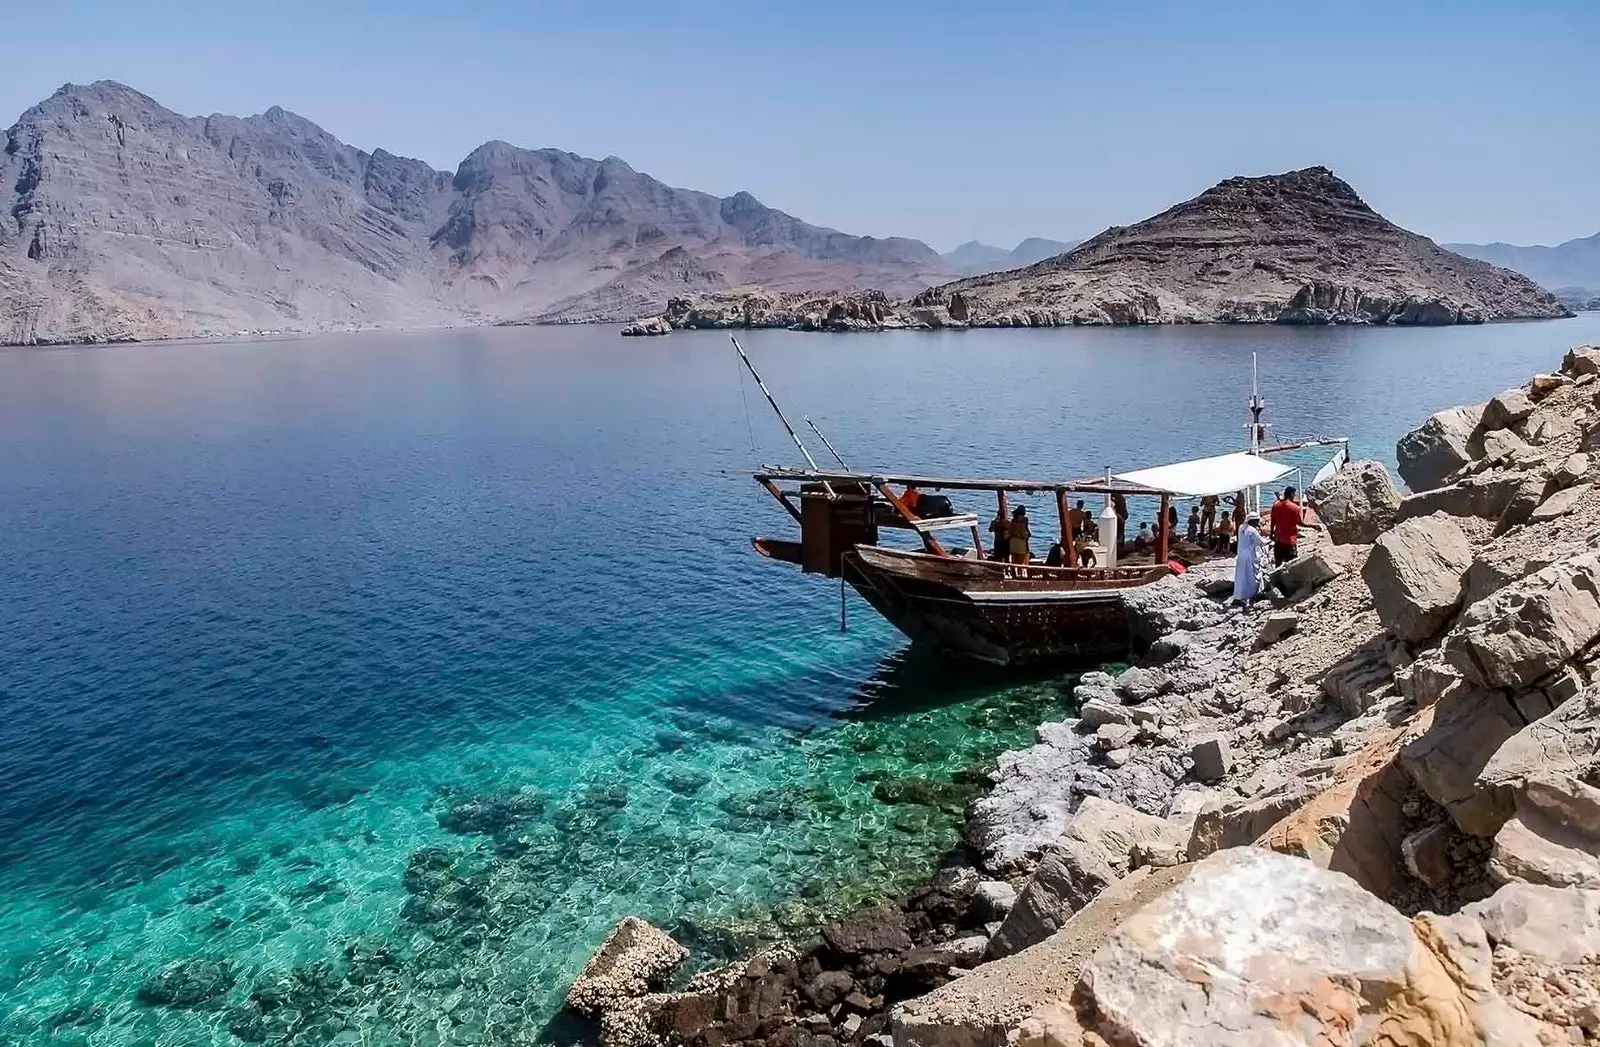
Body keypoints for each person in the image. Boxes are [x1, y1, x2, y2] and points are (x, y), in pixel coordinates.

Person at [1269, 486, 1307, 566]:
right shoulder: (1294, 508)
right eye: (1294, 494)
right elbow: (1300, 523)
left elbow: (1273, 521)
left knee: (1278, 562)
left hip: (1278, 538)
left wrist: (1271, 533)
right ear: (1291, 494)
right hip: (1289, 540)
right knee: (1291, 564)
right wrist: (1313, 526)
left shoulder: (1276, 506)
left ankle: (1277, 578)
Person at [1233, 512, 1264, 604]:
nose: (1258, 523)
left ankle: (1238, 596)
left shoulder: (1241, 528)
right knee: (1251, 577)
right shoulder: (1252, 531)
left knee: (1241, 577)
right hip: (1250, 557)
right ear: (1253, 521)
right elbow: (1260, 542)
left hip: (1241, 555)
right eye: (1257, 521)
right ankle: (1252, 595)